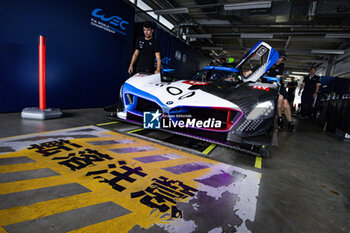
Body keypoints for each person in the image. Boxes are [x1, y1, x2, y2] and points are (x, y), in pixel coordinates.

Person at [265, 52, 295, 132]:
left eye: (282, 59)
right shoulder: (267, 63)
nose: (280, 60)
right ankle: (280, 118)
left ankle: (290, 123)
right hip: (267, 85)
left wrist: (276, 87)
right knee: (280, 99)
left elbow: (277, 78)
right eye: (280, 58)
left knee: (285, 102)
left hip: (278, 84)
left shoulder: (281, 65)